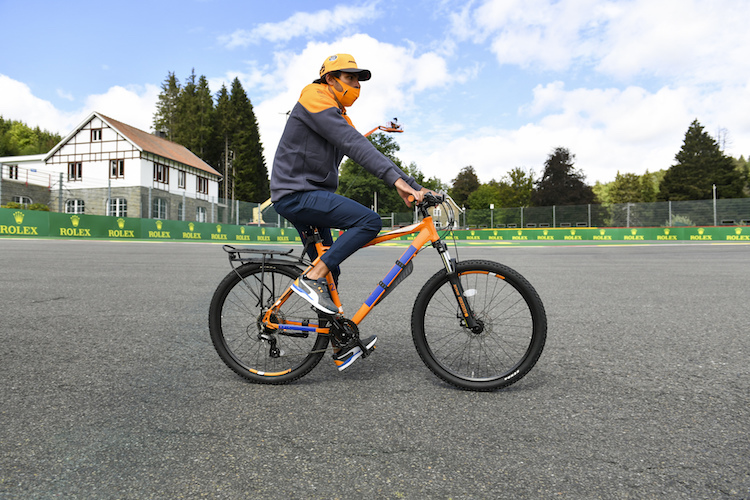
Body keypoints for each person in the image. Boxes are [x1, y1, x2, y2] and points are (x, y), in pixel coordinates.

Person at [270, 53, 429, 370]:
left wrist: (413, 185)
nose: (357, 85)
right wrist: (400, 182)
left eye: (359, 80)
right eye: (350, 78)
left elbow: (360, 146)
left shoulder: (336, 111)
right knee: (368, 221)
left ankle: (338, 341)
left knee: (332, 268)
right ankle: (310, 278)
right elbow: (354, 144)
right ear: (330, 78)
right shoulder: (314, 98)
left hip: (307, 194)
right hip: (297, 194)